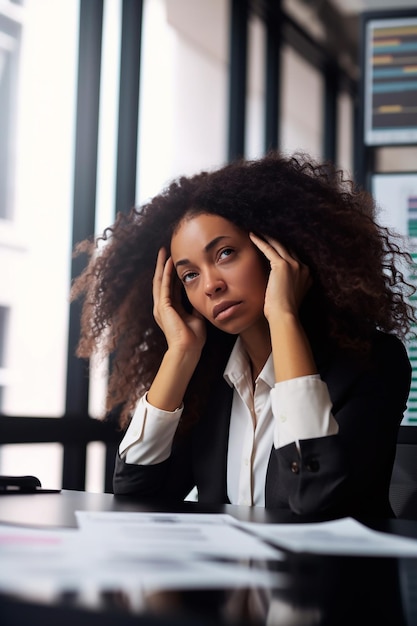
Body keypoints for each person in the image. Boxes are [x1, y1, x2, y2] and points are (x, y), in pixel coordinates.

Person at [71, 151, 415, 518]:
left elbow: (315, 500)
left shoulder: (372, 362)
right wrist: (180, 354)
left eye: (225, 253)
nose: (210, 286)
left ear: (278, 250)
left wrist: (283, 317)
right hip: (230, 575)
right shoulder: (208, 379)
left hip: (332, 575)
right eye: (190, 275)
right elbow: (134, 493)